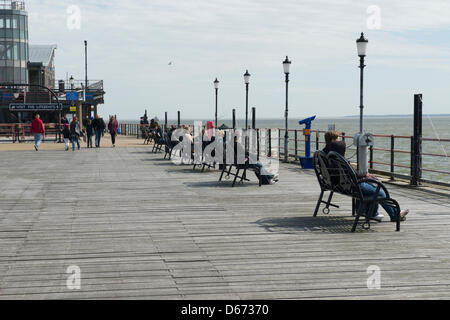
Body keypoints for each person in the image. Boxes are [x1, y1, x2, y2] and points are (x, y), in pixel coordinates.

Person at [323, 130, 409, 222]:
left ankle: (370, 212)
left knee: (372, 185)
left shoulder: (327, 153)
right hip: (350, 185)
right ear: (333, 140)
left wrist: (361, 173)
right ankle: (394, 215)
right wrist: (363, 176)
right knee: (379, 192)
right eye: (338, 138)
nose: (340, 140)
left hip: (339, 185)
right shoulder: (336, 154)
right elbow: (349, 174)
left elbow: (344, 170)